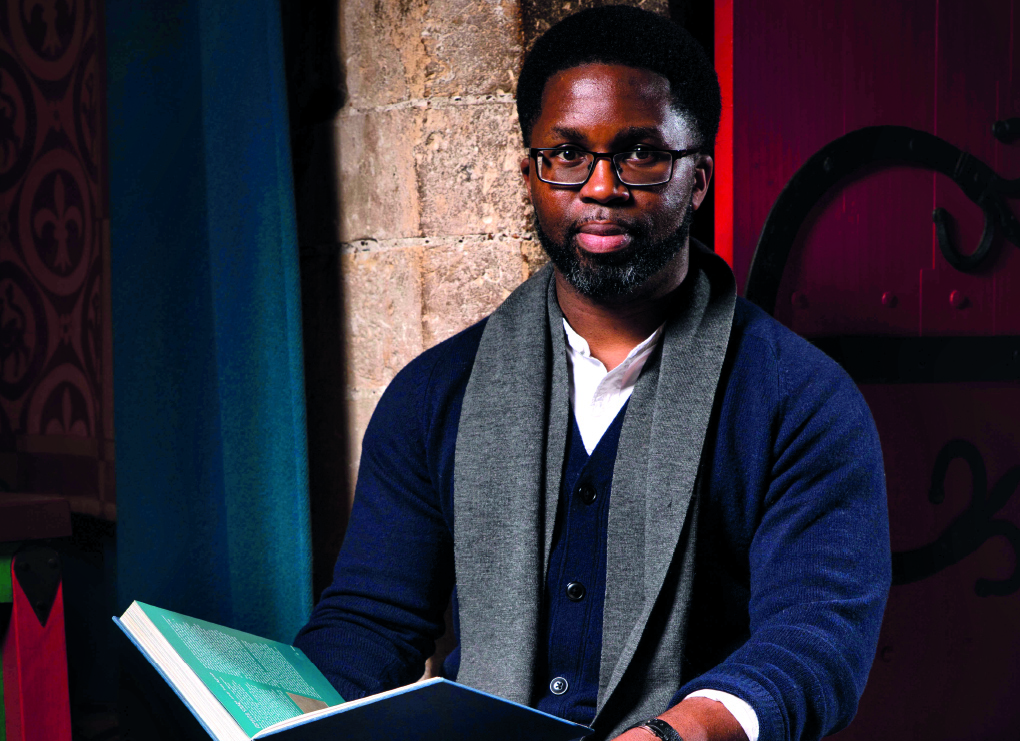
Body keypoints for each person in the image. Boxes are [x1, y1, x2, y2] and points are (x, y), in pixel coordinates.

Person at [294, 7, 891, 741]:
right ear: (530, 174)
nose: (601, 186)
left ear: (697, 179)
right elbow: (371, 622)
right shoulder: (433, 393)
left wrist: (676, 735)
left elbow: (817, 638)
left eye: (641, 153)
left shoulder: (800, 399)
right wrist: (281, 714)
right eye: (568, 154)